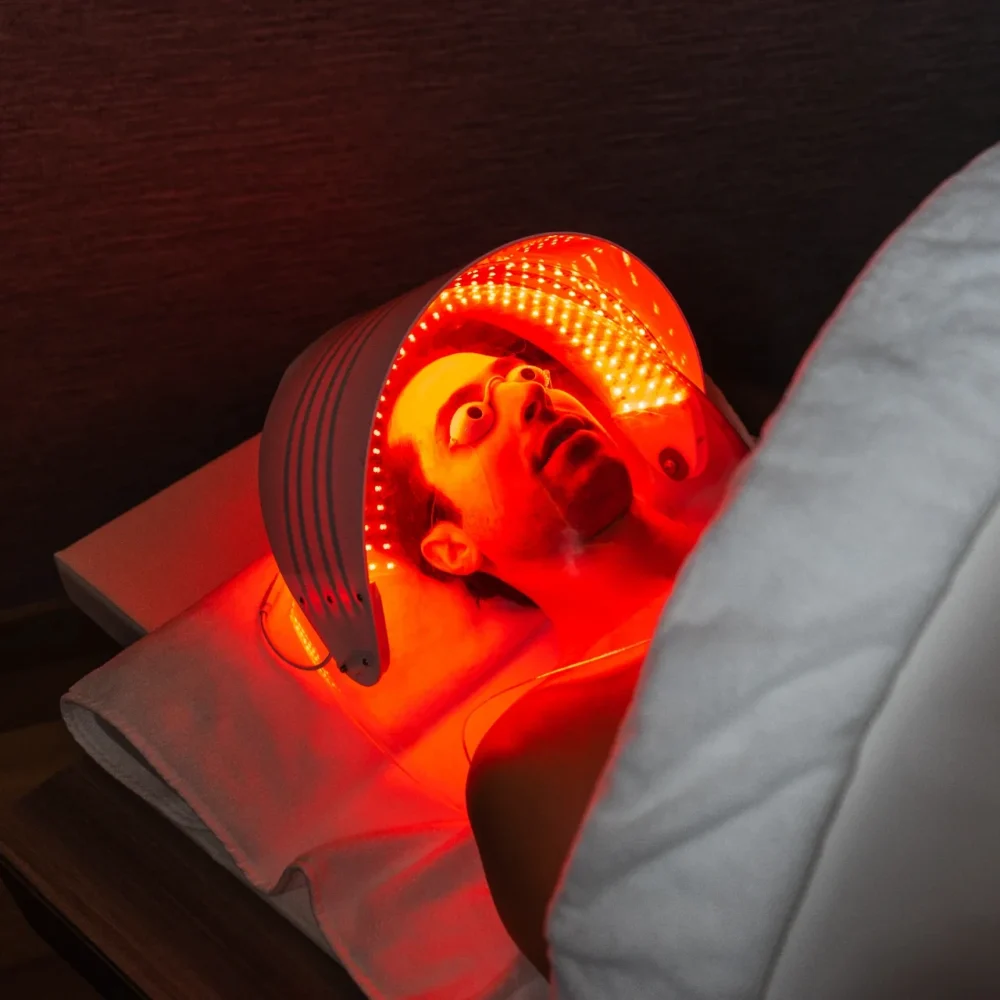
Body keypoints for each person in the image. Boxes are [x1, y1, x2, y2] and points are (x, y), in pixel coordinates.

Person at [382, 346, 735, 977]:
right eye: (470, 419)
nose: (529, 393)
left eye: (525, 375)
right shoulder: (533, 762)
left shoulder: (791, 510)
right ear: (453, 546)